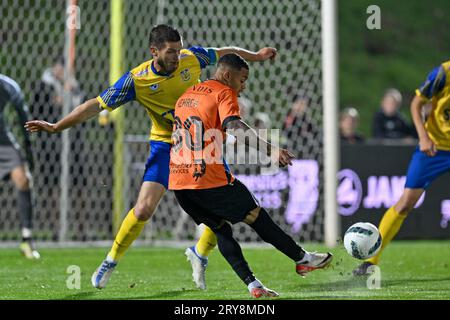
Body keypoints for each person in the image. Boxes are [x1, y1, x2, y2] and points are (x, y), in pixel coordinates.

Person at [25, 24, 278, 289]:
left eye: (179, 50)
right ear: (154, 51)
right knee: (144, 208)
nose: (177, 57)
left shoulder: (191, 59)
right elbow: (95, 105)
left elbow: (225, 52)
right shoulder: (137, 80)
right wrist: (56, 126)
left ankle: (200, 254)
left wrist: (257, 56)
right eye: (170, 51)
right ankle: (111, 259)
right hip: (166, 144)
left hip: (201, 145)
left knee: (221, 210)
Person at [169, 53, 333, 298]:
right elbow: (234, 126)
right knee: (256, 215)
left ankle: (254, 286)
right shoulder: (224, 92)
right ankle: (302, 258)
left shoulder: (187, 95)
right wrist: (272, 149)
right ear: (227, 75)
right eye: (242, 80)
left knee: (220, 228)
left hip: (179, 182)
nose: (243, 86)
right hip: (206, 178)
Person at [353, 61, 450, 276]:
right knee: (406, 202)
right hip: (435, 147)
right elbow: (416, 104)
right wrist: (423, 137)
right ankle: (370, 261)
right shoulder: (443, 73)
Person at [0, 74, 40, 259]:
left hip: (4, 142)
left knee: (23, 179)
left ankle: (26, 239)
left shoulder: (8, 86)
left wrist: (28, 149)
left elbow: (22, 116)